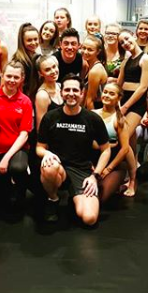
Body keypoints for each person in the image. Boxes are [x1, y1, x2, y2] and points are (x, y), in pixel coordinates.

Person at [37, 74, 111, 225]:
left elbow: (106, 150)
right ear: (61, 93)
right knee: (49, 167)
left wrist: (95, 176)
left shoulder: (92, 119)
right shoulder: (50, 117)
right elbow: (39, 147)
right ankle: (53, 199)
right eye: (67, 90)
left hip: (81, 170)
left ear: (82, 93)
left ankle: (74, 198)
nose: (71, 93)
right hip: (58, 168)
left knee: (89, 219)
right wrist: (46, 153)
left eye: (75, 90)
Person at [0, 62, 33, 208]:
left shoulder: (25, 101)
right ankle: (2, 181)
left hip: (16, 149)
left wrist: (6, 158)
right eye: (9, 76)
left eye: (16, 77)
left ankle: (20, 186)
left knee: (18, 168)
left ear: (22, 78)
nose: (12, 80)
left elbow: (24, 134)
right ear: (2, 75)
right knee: (0, 196)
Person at [118, 29, 148, 196]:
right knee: (130, 143)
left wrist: (126, 106)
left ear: (133, 35)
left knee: (123, 138)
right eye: (122, 42)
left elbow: (143, 87)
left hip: (136, 104)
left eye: (126, 39)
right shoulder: (126, 61)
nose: (125, 43)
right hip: (123, 101)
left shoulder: (145, 59)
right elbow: (119, 84)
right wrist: (118, 103)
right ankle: (130, 174)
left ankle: (133, 181)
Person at [93, 83, 129, 203]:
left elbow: (125, 148)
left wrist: (108, 169)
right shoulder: (92, 114)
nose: (107, 95)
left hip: (113, 165)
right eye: (105, 92)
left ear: (119, 98)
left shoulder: (119, 120)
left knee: (100, 198)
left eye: (111, 93)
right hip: (92, 162)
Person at [11, 23, 40, 99]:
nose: (33, 43)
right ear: (22, 41)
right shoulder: (18, 61)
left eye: (35, 39)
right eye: (29, 40)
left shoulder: (37, 57)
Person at [34, 55, 63, 132]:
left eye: (54, 66)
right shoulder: (42, 95)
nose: (53, 71)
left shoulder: (61, 86)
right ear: (40, 73)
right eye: (47, 70)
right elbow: (40, 128)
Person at [81, 35, 107, 110]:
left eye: (90, 50)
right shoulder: (88, 66)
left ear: (98, 52)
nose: (85, 52)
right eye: (84, 48)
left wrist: (90, 117)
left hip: (96, 108)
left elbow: (90, 100)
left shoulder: (95, 70)